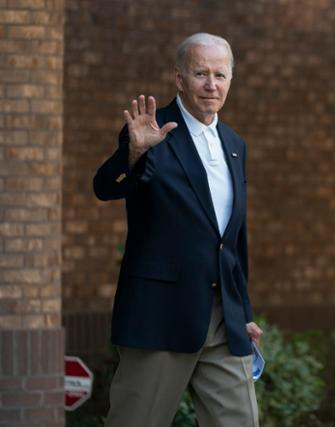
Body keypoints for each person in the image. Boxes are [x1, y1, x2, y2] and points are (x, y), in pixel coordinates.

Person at [94, 33, 261, 427]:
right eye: (200, 73)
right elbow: (105, 187)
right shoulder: (152, 133)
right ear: (179, 78)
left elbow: (232, 239)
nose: (211, 84)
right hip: (160, 315)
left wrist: (245, 311)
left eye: (220, 74)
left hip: (224, 319)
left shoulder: (235, 144)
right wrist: (134, 153)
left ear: (231, 81)